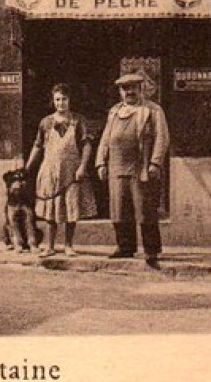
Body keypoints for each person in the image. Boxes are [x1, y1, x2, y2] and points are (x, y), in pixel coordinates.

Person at [96, 71, 170, 267]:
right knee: (119, 209)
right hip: (116, 167)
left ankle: (151, 250)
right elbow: (105, 139)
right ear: (120, 92)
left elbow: (162, 139)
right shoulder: (114, 112)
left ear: (140, 89)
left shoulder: (152, 111)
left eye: (133, 88)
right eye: (125, 89)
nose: (129, 92)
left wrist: (155, 163)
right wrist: (101, 162)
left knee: (144, 210)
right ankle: (125, 247)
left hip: (141, 167)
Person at [25, 84, 95, 256]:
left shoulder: (78, 121)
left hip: (72, 171)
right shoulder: (46, 122)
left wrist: (82, 167)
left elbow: (87, 146)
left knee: (71, 207)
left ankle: (68, 245)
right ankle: (50, 247)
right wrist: (27, 168)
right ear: (53, 101)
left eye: (64, 99)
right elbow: (38, 146)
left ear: (69, 100)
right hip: (50, 171)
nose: (61, 103)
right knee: (51, 209)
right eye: (57, 99)